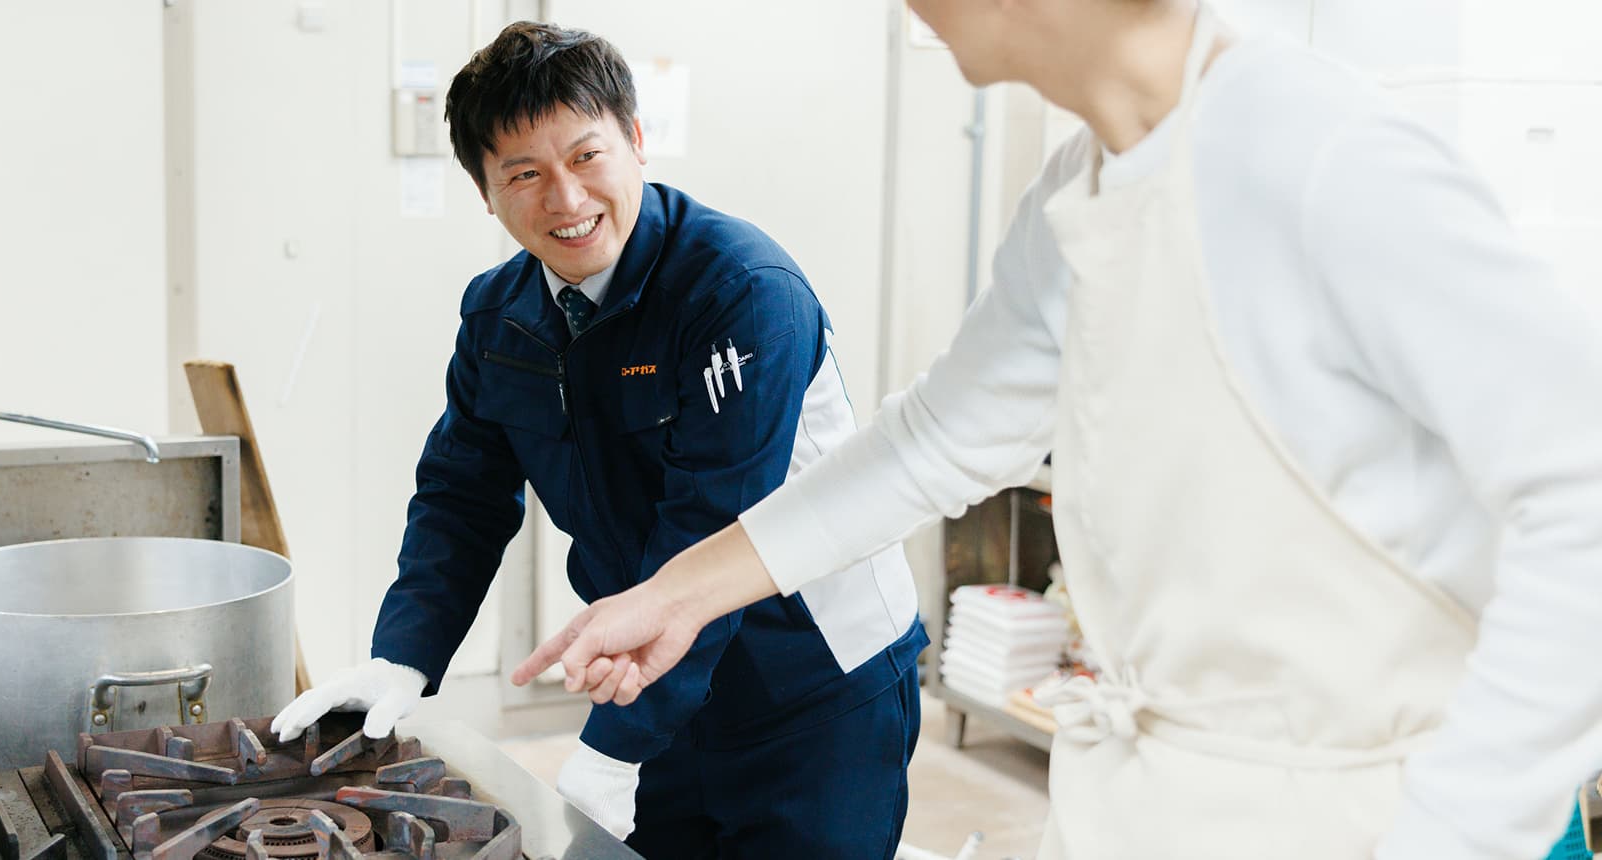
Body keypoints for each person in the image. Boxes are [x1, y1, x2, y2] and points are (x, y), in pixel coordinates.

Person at [512, 1, 1602, 857]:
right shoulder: (1082, 189)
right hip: (1162, 802)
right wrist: (677, 595)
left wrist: (1457, 829)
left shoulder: (1318, 150)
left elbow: (1582, 497)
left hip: (1381, 812)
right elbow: (934, 440)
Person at [268, 21, 928, 859]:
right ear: (486, 193)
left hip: (812, 686)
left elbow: (714, 526)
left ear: (636, 142)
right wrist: (403, 657)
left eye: (586, 157)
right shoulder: (500, 316)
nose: (567, 199)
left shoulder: (740, 294)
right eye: (525, 174)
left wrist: (616, 748)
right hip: (650, 677)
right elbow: (462, 497)